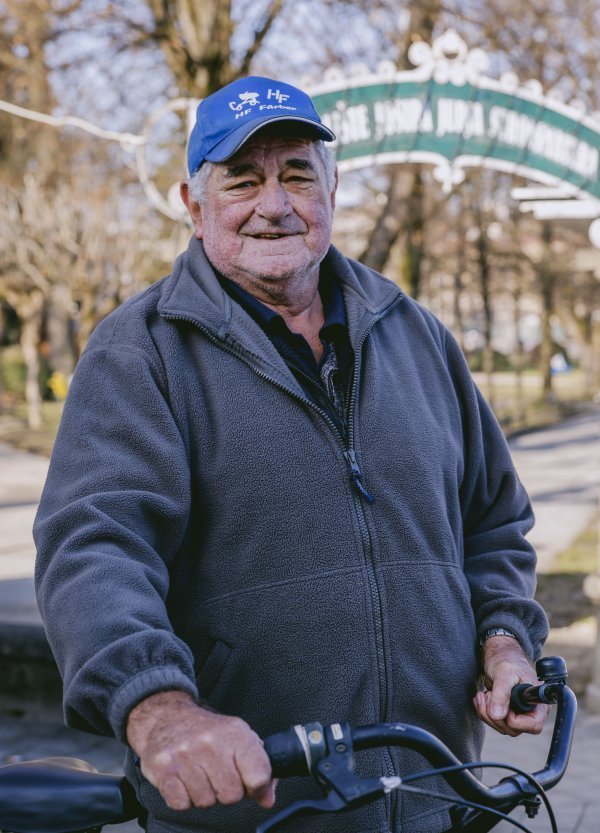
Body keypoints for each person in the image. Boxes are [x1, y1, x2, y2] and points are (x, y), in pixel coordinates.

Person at [34, 75, 549, 833]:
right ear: (193, 204)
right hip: (254, 813)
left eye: (298, 174)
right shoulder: (138, 354)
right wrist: (160, 710)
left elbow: (494, 524)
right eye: (243, 179)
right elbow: (94, 550)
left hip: (442, 800)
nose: (274, 204)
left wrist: (506, 639)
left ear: (332, 189)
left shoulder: (417, 336)